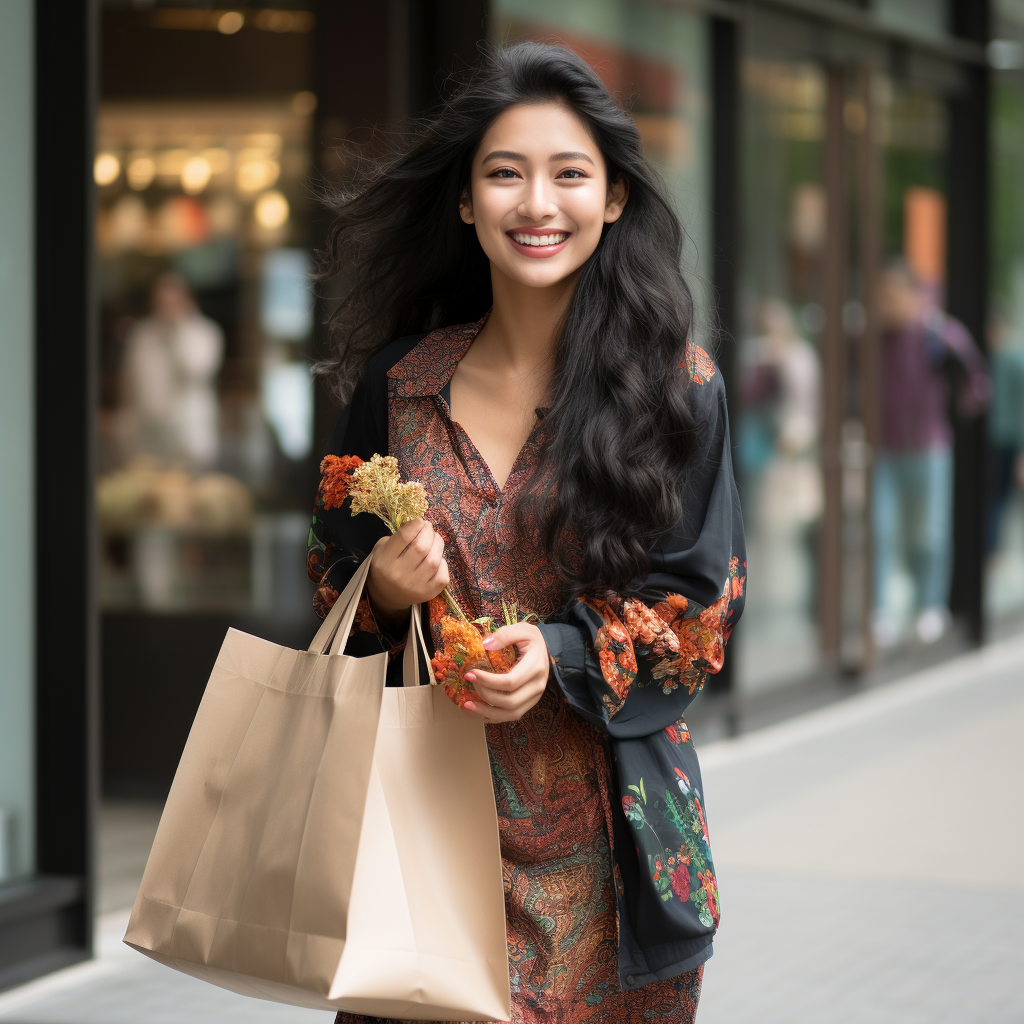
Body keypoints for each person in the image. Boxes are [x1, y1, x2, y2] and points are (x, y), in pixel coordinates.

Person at [307, 43, 745, 1024]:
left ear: (615, 198)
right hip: (416, 846)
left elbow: (701, 611)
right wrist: (376, 588)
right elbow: (325, 572)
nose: (535, 202)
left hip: (613, 863)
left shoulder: (678, 390)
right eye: (504, 173)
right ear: (466, 202)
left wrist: (558, 655)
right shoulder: (398, 384)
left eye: (568, 174)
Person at [874, 259, 989, 647]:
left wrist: (961, 395)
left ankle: (930, 605)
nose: (884, 301)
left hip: (930, 447)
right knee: (882, 529)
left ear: (911, 293)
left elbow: (977, 384)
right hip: (884, 448)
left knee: (929, 531)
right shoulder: (874, 336)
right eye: (881, 293)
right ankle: (883, 611)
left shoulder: (939, 332)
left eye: (891, 292)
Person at [119, 271, 223, 469]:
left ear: (186, 300)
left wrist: (178, 329)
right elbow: (131, 380)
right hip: (148, 435)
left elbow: (196, 371)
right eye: (160, 300)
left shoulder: (205, 332)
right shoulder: (142, 333)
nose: (165, 305)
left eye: (172, 300)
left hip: (189, 434)